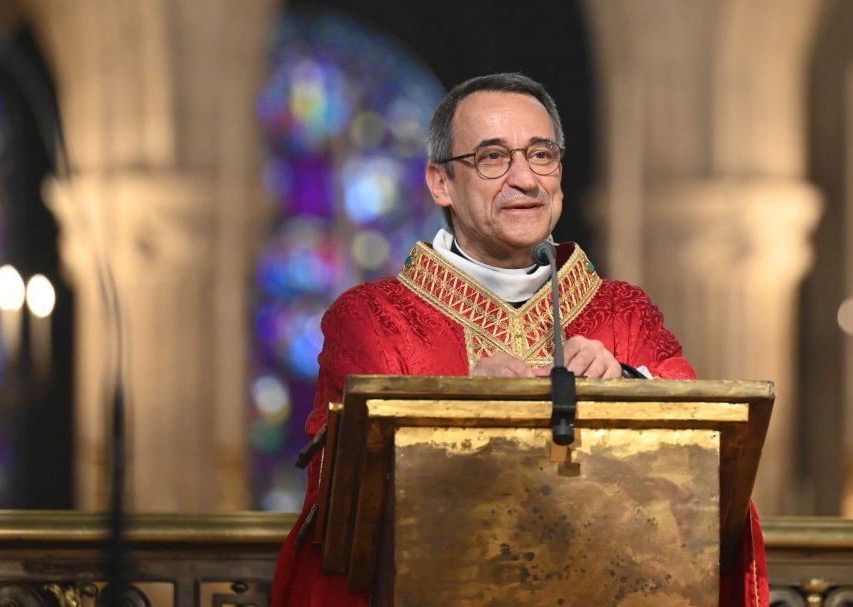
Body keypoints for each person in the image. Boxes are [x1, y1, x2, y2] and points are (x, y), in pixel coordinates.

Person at [271, 73, 768, 605]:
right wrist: (451, 402)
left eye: (541, 155)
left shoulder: (622, 313)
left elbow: (707, 470)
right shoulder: (373, 317)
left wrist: (626, 383)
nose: (525, 179)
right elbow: (339, 496)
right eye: (492, 157)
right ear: (440, 182)